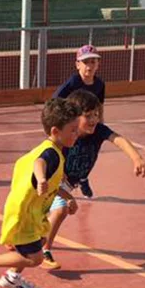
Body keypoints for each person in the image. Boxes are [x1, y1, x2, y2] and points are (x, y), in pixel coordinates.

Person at [0, 98, 80, 288]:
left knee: (38, 243)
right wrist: (40, 179)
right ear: (56, 131)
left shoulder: (53, 149)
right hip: (24, 215)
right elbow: (40, 163)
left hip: (30, 212)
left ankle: (12, 278)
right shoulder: (51, 154)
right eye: (73, 129)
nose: (77, 133)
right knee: (34, 258)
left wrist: (68, 197)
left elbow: (53, 184)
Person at [40, 89, 145, 269]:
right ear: (75, 118)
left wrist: (136, 158)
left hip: (69, 183)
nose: (93, 119)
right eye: (88, 115)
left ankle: (25, 240)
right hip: (55, 180)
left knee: (47, 213)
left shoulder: (99, 131)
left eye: (96, 114)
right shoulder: (67, 137)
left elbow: (119, 139)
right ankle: (44, 249)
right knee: (57, 211)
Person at [53, 44, 106, 197]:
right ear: (78, 65)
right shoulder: (72, 83)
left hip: (88, 126)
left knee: (89, 154)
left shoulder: (99, 84)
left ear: (98, 65)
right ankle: (61, 176)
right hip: (72, 126)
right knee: (67, 152)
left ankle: (83, 178)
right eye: (86, 62)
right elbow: (54, 102)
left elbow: (100, 105)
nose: (89, 66)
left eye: (93, 62)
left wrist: (99, 123)